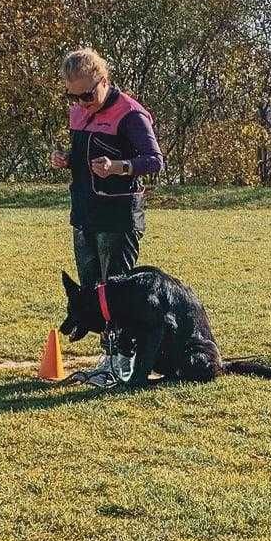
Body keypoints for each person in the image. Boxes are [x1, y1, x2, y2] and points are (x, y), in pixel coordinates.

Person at [49, 47, 164, 386]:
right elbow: (85, 153)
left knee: (115, 295)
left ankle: (120, 363)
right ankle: (107, 359)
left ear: (103, 80)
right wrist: (68, 158)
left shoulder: (131, 114)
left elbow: (154, 160)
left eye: (87, 94)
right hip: (84, 213)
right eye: (73, 97)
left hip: (118, 217)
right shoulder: (78, 113)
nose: (82, 103)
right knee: (90, 292)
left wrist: (119, 167)